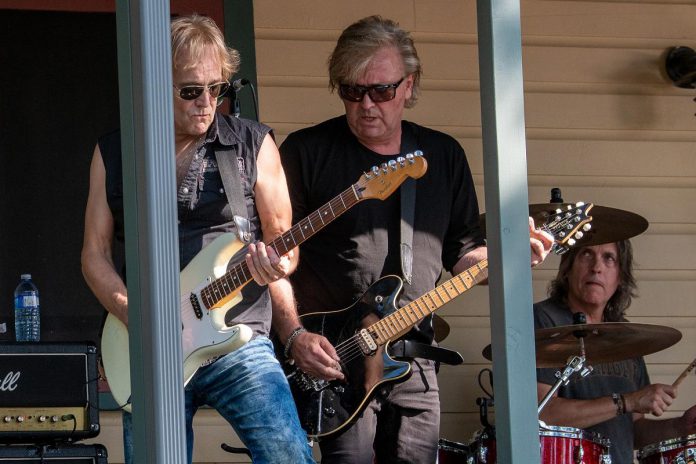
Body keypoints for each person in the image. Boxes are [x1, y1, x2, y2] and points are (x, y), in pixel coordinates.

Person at [278, 15, 554, 463]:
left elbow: (464, 251)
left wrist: (505, 258)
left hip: (415, 358)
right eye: (352, 91)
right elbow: (272, 260)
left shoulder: (442, 156)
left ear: (409, 85)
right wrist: (293, 336)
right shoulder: (306, 152)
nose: (367, 104)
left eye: (382, 91)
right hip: (333, 363)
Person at [81, 14, 314, 464]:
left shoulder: (251, 142)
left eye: (217, 89)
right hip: (152, 348)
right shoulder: (115, 151)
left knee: (289, 454)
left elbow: (282, 237)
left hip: (238, 335)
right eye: (190, 91)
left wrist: (276, 264)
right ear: (153, 86)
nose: (207, 103)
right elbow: (95, 253)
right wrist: (136, 314)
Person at [535, 240, 696, 463]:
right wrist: (626, 401)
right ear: (567, 268)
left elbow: (634, 430)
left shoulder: (624, 336)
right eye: (586, 254)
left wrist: (680, 426)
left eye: (609, 258)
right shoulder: (544, 321)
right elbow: (542, 415)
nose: (596, 267)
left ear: (620, 276)